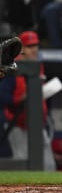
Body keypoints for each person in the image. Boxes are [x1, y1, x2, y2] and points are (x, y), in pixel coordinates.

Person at [0, 31, 55, 171]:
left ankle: (49, 192)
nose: (35, 49)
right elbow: (3, 96)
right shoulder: (12, 68)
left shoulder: (38, 66)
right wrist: (20, 98)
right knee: (23, 164)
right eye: (30, 46)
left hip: (37, 124)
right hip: (18, 125)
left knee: (48, 165)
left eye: (36, 45)